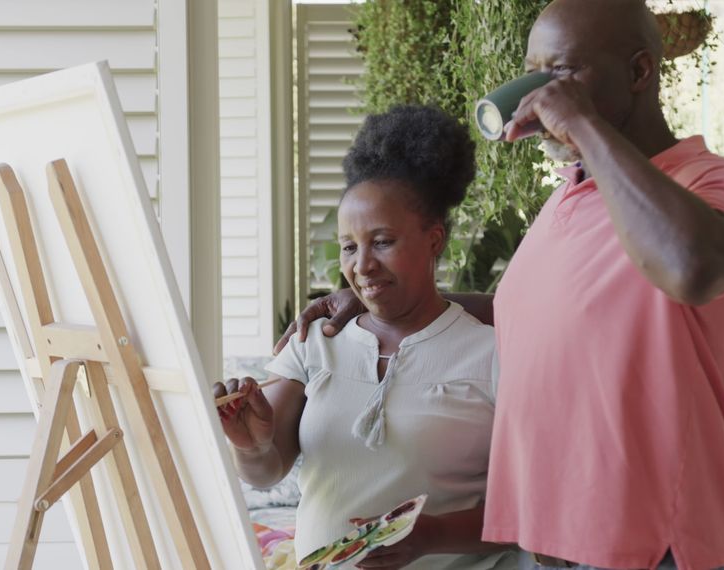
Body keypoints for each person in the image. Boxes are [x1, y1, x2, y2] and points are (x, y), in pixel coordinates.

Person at [282, 0, 724, 567]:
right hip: (557, 543)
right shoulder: (571, 195)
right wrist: (372, 296)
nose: (540, 96)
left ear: (639, 72)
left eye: (560, 74)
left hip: (651, 543)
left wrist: (582, 124)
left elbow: (692, 267)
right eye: (534, 73)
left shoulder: (712, 184)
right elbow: (533, 311)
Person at [215, 105, 518, 570]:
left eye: (382, 242)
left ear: (434, 240)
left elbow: (526, 511)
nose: (362, 265)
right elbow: (266, 469)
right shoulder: (314, 342)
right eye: (349, 247)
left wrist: (432, 536)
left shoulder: (490, 354)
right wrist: (251, 446)